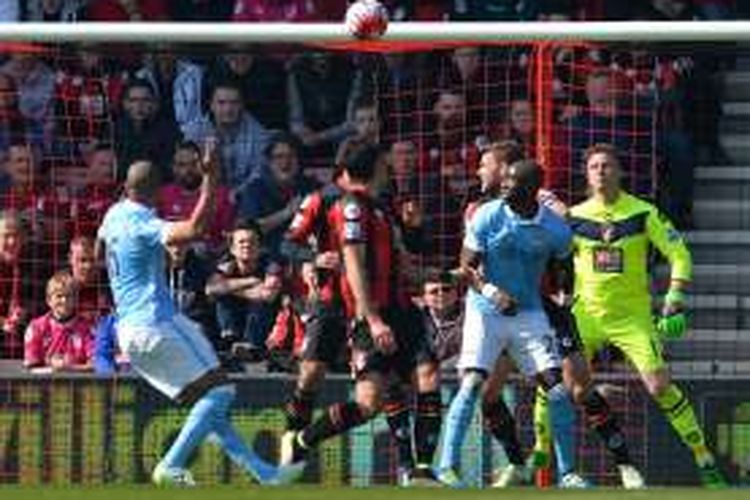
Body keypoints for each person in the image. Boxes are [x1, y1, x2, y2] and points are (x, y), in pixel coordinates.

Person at [96, 144, 301, 486]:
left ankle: (264, 474)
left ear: (126, 188)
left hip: (128, 331)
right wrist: (210, 178)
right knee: (220, 394)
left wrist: (145, 263)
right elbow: (195, 229)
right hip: (155, 322)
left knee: (210, 404)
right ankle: (170, 465)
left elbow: (100, 248)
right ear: (157, 191)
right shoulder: (144, 222)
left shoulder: (112, 216)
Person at [469, 142, 644, 489]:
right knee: (488, 393)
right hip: (498, 311)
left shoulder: (541, 202)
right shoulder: (483, 210)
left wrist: (563, 287)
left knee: (578, 388)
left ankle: (624, 465)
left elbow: (566, 232)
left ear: (508, 170)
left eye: (486, 164)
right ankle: (519, 464)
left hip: (543, 306)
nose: (480, 171)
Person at [281, 145, 442, 486]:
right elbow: (351, 262)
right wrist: (371, 317)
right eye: (385, 164)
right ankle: (299, 439)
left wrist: (444, 275)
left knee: (427, 376)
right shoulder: (346, 206)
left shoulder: (382, 209)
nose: (390, 170)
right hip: (360, 310)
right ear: (374, 168)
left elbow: (403, 262)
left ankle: (422, 471)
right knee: (365, 402)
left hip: (401, 308)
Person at [568, 143, 727, 488]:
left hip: (632, 316)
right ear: (586, 174)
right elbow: (551, 257)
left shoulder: (642, 212)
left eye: (607, 165)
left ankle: (704, 458)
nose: (600, 171)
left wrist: (674, 295)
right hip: (585, 315)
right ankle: (539, 461)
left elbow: (680, 253)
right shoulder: (573, 216)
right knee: (566, 389)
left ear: (619, 172)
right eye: (594, 166)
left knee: (659, 386)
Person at [437, 159, 586, 489]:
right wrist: (492, 291)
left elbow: (564, 266)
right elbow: (467, 268)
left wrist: (565, 296)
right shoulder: (487, 214)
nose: (503, 184)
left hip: (529, 314)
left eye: (512, 180)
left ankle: (569, 473)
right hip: (484, 311)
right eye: (503, 179)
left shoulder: (555, 228)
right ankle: (446, 467)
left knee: (558, 391)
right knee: (473, 383)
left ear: (532, 188)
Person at [23, 271, 94, 373]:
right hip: (43, 385)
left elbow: (95, 365)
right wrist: (54, 371)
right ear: (48, 300)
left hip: (78, 384)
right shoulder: (36, 327)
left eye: (69, 296)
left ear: (76, 299)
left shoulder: (87, 328)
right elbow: (31, 367)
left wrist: (68, 369)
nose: (64, 300)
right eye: (59, 296)